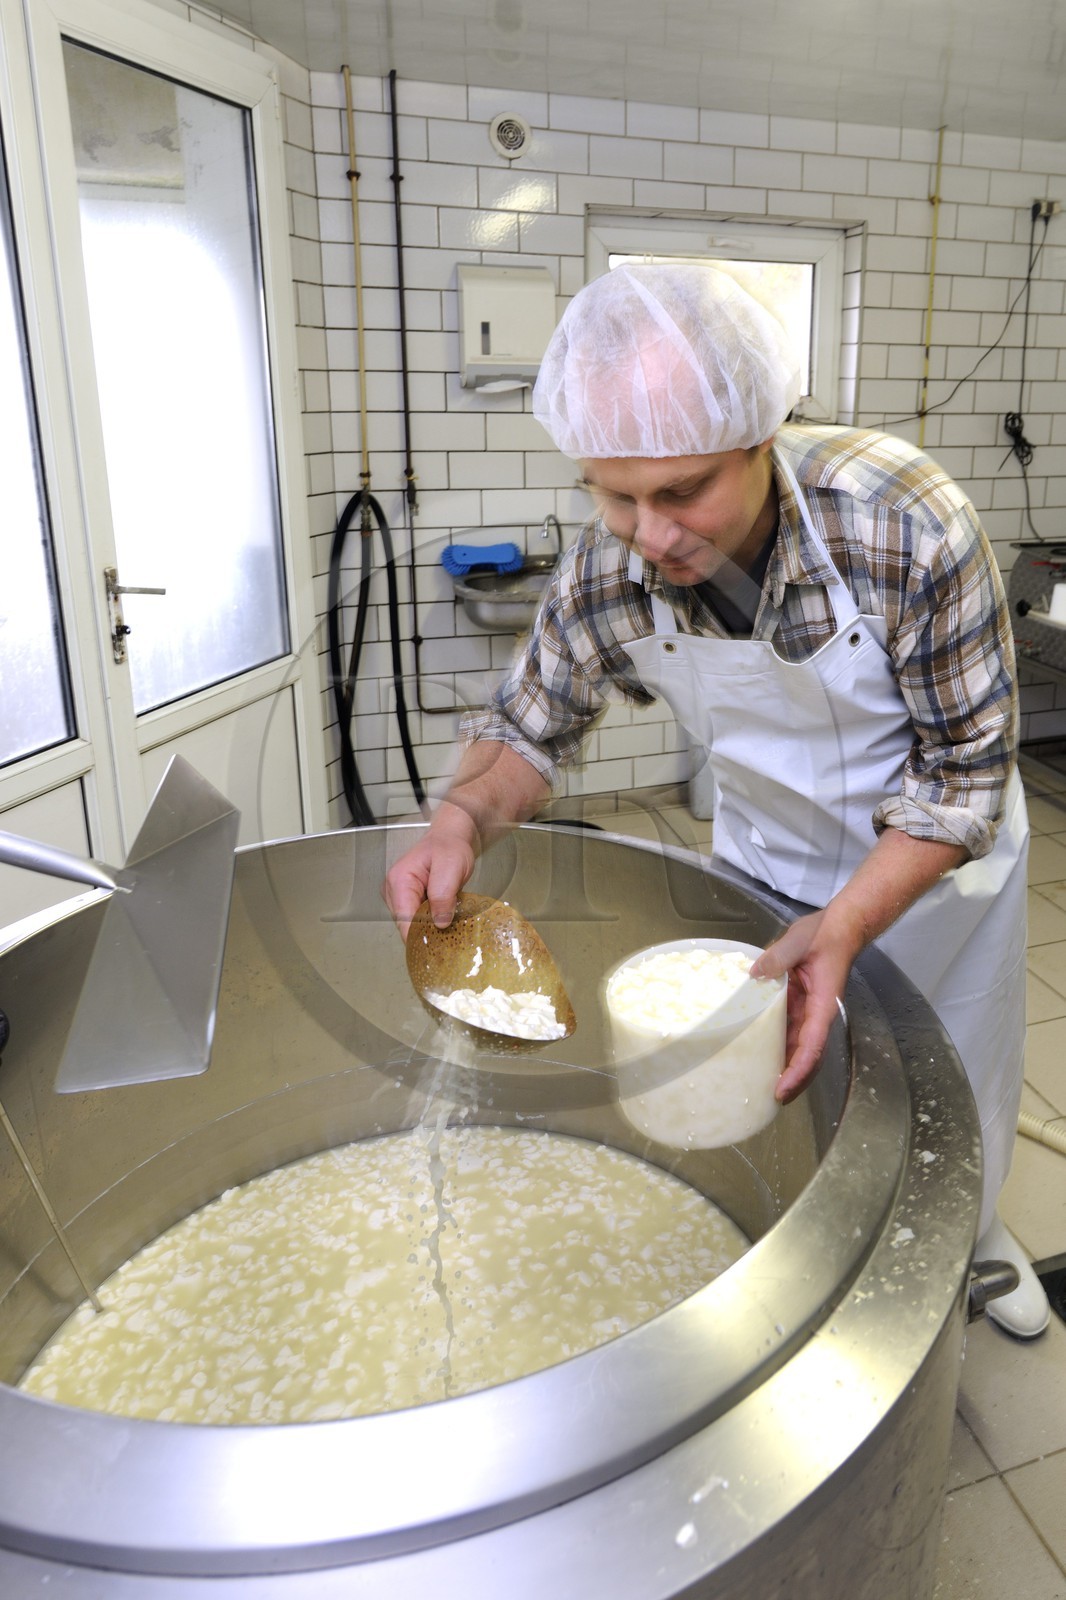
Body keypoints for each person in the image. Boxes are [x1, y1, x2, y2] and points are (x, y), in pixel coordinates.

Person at [385, 262, 1048, 1339]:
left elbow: (963, 768)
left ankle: (972, 1239)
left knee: (951, 1077)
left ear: (759, 437)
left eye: (683, 489)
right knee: (780, 1086)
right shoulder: (611, 565)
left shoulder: (901, 524)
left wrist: (850, 918)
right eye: (614, 492)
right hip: (767, 856)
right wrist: (458, 817)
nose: (649, 533)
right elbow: (526, 728)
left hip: (939, 878)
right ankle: (802, 1242)